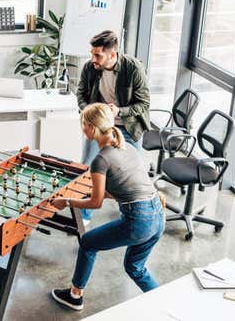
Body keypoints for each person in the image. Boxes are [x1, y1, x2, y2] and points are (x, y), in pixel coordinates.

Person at [49, 103, 164, 311]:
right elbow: (124, 187)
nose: (82, 129)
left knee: (88, 242)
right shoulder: (126, 146)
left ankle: (75, 296)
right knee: (135, 268)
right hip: (157, 215)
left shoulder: (100, 160)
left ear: (92, 128)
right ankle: (165, 305)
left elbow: (96, 203)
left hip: (139, 221)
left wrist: (66, 201)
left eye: (83, 125)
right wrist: (92, 192)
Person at [76, 30, 151, 224]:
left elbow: (143, 104)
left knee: (131, 172)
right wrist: (91, 114)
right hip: (100, 127)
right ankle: (84, 216)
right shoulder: (90, 68)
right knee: (87, 169)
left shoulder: (133, 68)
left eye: (97, 55)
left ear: (112, 54)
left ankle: (130, 213)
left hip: (129, 126)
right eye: (92, 53)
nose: (93, 58)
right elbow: (81, 95)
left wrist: (119, 111)